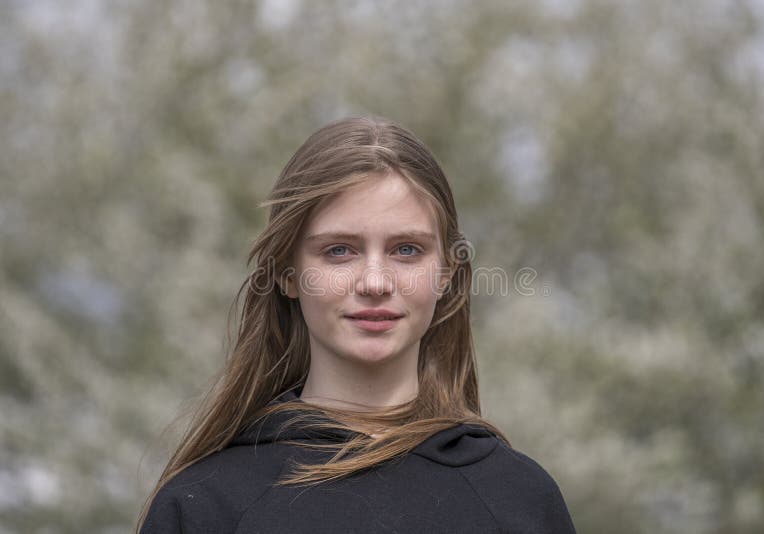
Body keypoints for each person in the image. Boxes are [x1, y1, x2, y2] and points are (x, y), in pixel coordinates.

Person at [137, 116, 576, 533]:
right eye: (339, 250)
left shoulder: (517, 500)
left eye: (406, 250)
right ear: (288, 274)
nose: (375, 282)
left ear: (445, 273)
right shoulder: (205, 507)